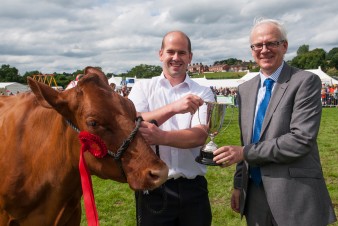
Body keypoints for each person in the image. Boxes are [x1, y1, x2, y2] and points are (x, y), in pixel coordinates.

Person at [213, 18, 337, 226]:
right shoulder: (245, 89)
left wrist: (244, 152)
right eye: (258, 45)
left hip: (294, 194)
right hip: (254, 195)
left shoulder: (305, 81)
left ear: (284, 46)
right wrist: (238, 185)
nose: (264, 50)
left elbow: (300, 140)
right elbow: (247, 140)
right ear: (251, 50)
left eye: (271, 43)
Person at [128, 30, 215, 226]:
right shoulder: (143, 87)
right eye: (171, 52)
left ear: (190, 57)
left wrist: (160, 137)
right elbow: (132, 122)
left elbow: (199, 136)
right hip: (154, 188)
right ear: (161, 54)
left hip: (193, 188)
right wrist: (173, 109)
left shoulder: (202, 91)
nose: (176, 58)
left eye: (182, 53)